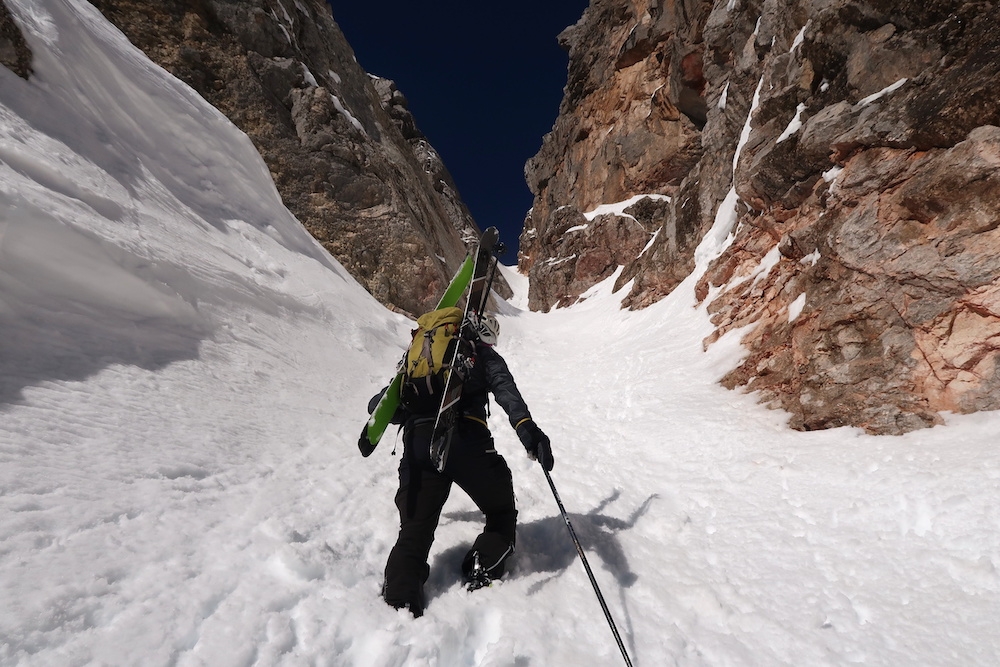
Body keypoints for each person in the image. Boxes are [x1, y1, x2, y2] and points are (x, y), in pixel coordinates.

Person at [370, 314, 553, 617]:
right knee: (500, 510)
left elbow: (381, 406)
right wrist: (527, 430)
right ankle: (484, 560)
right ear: (486, 335)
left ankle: (399, 603)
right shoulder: (481, 354)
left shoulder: (417, 361)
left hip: (417, 444)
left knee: (413, 532)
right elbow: (507, 393)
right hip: (466, 440)